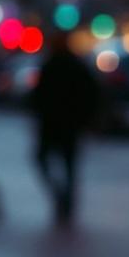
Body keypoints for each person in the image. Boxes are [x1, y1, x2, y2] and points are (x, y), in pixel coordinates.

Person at [30, 32, 99, 225]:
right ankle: (65, 200)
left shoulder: (51, 66)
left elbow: (38, 96)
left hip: (55, 124)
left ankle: (63, 198)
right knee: (69, 166)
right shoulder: (73, 66)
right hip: (68, 125)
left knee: (49, 161)